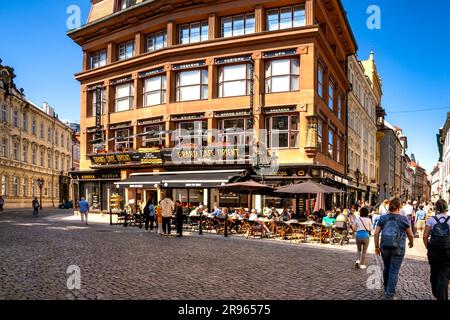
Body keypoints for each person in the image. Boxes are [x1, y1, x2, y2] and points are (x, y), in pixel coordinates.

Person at [374, 198, 414, 300]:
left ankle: (387, 288)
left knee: (387, 267)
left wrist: (376, 246)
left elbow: (376, 233)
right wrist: (411, 242)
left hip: (385, 247)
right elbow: (410, 234)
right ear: (399, 207)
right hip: (398, 248)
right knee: (394, 270)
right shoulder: (403, 219)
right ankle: (389, 294)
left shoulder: (383, 218)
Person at [422, 199, 450, 300]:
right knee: (444, 274)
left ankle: (438, 294)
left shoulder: (431, 220)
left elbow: (425, 236)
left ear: (436, 207)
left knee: (434, 273)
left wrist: (428, 247)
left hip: (434, 252)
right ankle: (442, 295)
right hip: (447, 252)